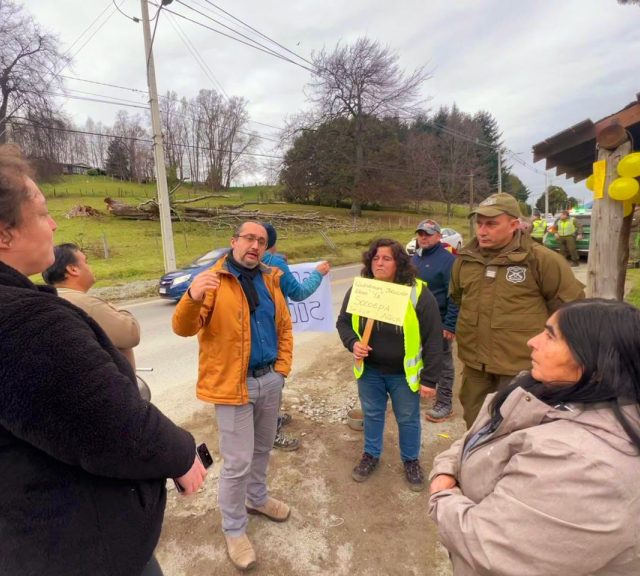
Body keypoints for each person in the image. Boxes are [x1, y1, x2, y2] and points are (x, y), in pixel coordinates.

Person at [0, 147, 206, 576]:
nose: (54, 223)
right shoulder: (10, 323)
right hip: (76, 557)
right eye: (40, 213)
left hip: (4, 550)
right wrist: (184, 456)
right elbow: (117, 430)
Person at [429, 299, 640, 576]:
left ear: (594, 360)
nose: (532, 342)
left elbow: (488, 545)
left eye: (550, 336)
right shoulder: (543, 389)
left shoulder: (587, 467)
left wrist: (442, 494)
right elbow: (482, 435)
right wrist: (447, 466)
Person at [172, 221, 293, 572]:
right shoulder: (213, 279)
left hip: (269, 380)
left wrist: (282, 370)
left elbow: (283, 327)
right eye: (249, 238)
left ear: (266, 248)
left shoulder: (270, 278)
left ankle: (257, 499)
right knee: (237, 462)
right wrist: (192, 296)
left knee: (262, 448)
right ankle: (234, 529)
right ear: (234, 241)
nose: (255, 245)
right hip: (232, 387)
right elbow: (183, 328)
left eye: (262, 241)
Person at [451, 193, 585, 428]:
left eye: (491, 224)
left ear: (514, 225)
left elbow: (570, 312)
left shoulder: (541, 260)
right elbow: (459, 298)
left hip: (519, 370)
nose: (482, 230)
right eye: (479, 223)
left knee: (517, 432)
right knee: (475, 427)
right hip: (475, 367)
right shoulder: (465, 260)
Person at [336, 238, 443, 491]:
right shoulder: (362, 290)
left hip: (402, 375)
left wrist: (430, 379)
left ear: (399, 263)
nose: (379, 263)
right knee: (372, 415)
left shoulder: (417, 292)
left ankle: (411, 460)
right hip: (369, 371)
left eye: (386, 258)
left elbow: (433, 337)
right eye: (375, 258)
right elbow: (343, 322)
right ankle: (371, 455)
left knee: (407, 419)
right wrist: (353, 343)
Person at [261, 221, 331, 452]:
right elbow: (299, 292)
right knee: (275, 378)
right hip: (274, 331)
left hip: (255, 330)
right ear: (274, 242)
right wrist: (317, 274)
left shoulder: (244, 261)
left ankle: (271, 421)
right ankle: (271, 431)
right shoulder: (276, 263)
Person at [42, 243, 141, 370]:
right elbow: (130, 334)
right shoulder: (86, 304)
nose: (89, 267)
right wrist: (116, 309)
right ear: (73, 269)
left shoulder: (47, 299)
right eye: (86, 262)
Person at [411, 219, 458, 423]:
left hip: (438, 321)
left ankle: (444, 403)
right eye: (420, 234)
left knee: (443, 361)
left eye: (428, 234)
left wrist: (450, 324)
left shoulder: (448, 261)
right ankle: (418, 391)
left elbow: (454, 296)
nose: (423, 237)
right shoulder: (413, 259)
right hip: (414, 321)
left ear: (439, 236)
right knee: (415, 357)